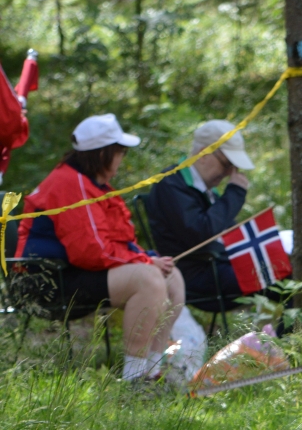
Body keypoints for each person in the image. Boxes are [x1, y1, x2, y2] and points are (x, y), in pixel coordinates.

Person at [16, 113, 184, 381]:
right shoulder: (70, 184)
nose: (122, 158)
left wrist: (145, 258)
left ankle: (153, 369)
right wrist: (145, 262)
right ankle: (134, 378)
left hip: (75, 271)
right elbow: (91, 251)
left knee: (171, 276)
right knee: (149, 278)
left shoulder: (92, 183)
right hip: (49, 281)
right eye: (120, 152)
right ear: (104, 153)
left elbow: (111, 242)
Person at [146, 120, 253, 311]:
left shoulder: (207, 190)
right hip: (195, 275)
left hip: (219, 266)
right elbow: (201, 233)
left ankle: (287, 330)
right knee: (278, 275)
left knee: (285, 269)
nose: (229, 174)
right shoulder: (171, 183)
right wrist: (234, 194)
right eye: (227, 164)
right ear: (203, 154)